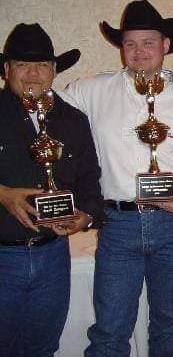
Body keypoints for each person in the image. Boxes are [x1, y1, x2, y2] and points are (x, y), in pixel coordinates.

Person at [65, 0, 173, 357]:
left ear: (165, 45)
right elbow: (44, 111)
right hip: (118, 225)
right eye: (130, 43)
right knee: (109, 332)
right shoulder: (91, 91)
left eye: (148, 42)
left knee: (170, 329)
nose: (139, 51)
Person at [0, 23, 105, 357]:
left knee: (43, 349)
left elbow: (91, 182)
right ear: (6, 70)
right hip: (3, 257)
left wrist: (86, 217)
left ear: (54, 70)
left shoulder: (73, 120)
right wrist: (2, 194)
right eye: (22, 64)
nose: (33, 73)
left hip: (53, 257)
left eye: (42, 65)